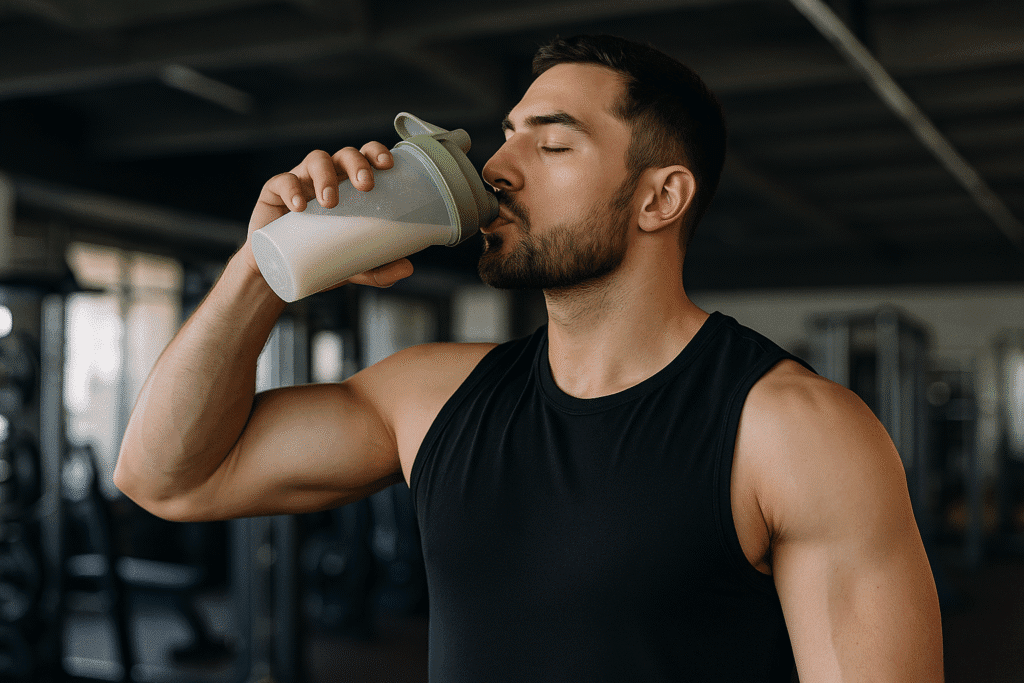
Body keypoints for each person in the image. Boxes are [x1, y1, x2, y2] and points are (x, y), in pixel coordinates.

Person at [115, 34, 943, 682]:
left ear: (661, 197)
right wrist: (262, 266)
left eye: (551, 147)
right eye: (507, 138)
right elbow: (168, 477)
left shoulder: (793, 431)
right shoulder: (431, 397)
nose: (497, 170)